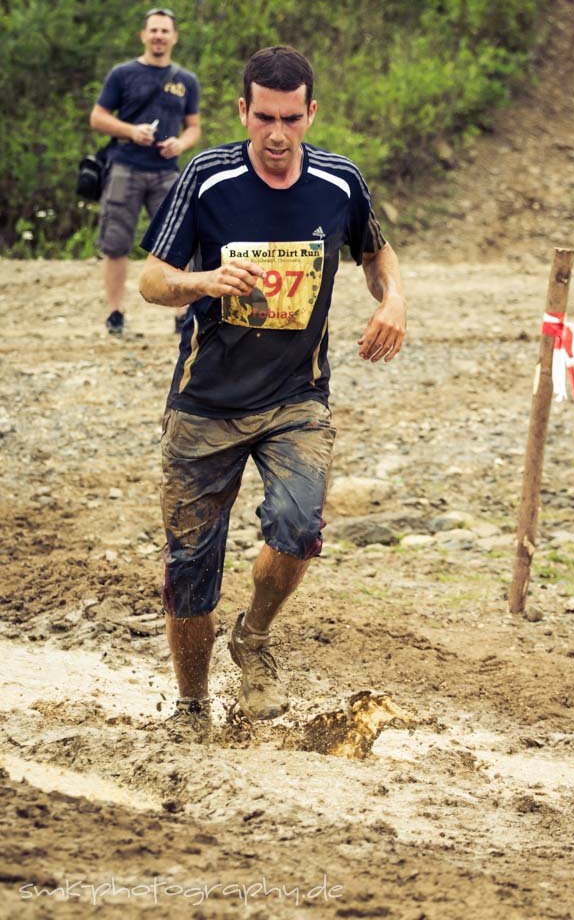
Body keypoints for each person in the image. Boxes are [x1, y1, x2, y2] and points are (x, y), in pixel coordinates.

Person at [139, 45, 407, 736]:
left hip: (297, 398)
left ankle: (253, 636)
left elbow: (375, 251)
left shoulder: (339, 182)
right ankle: (192, 705)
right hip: (205, 404)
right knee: (192, 564)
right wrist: (201, 282)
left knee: (297, 527)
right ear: (243, 113)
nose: (279, 134)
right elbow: (150, 280)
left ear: (311, 112)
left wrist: (394, 300)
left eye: (292, 118)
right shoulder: (208, 176)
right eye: (265, 118)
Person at [90, 7, 201, 335]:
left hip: (167, 172)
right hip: (125, 167)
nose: (159, 36)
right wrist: (130, 131)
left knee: (180, 242)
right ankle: (115, 313)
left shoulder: (186, 81)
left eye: (165, 31)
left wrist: (180, 145)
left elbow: (193, 127)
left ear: (174, 37)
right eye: (153, 30)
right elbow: (98, 117)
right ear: (143, 35)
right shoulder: (122, 74)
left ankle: (183, 314)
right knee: (116, 243)